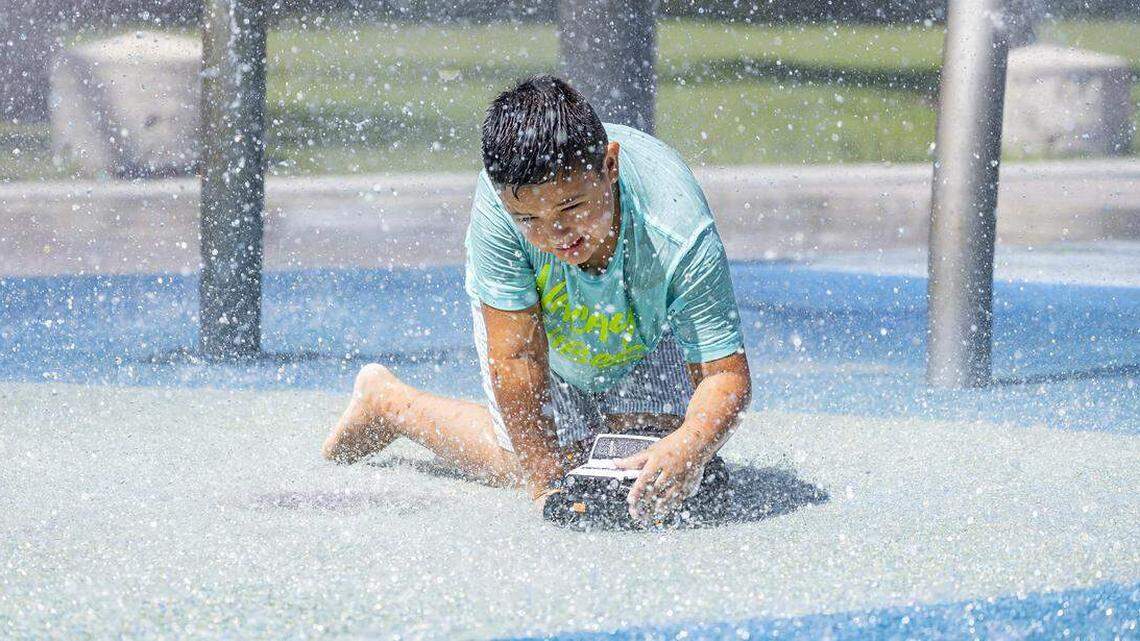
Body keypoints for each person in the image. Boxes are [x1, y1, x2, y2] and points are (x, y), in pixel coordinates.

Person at [322, 74, 751, 523]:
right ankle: (389, 403)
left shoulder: (676, 230)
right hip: (540, 324)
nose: (555, 234)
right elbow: (517, 357)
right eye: (529, 218)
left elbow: (724, 374)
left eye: (572, 208)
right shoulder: (499, 212)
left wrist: (688, 444)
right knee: (528, 462)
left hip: (648, 319)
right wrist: (545, 481)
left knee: (661, 442)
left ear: (610, 167)